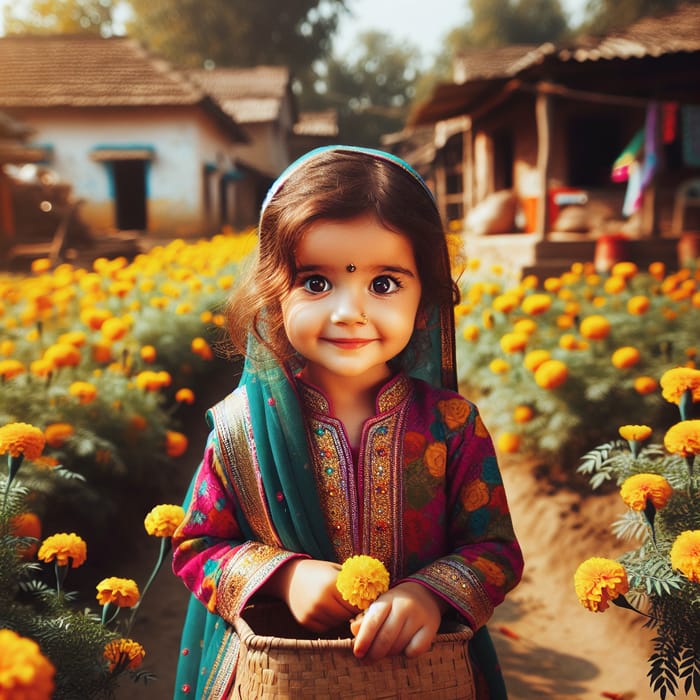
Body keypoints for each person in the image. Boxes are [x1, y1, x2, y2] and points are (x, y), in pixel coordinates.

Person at [171, 145, 524, 699]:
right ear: (273, 290)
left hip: (423, 676)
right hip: (281, 681)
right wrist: (285, 577)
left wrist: (429, 595)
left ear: (425, 298)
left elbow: (496, 550)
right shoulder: (241, 432)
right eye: (316, 282)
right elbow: (196, 546)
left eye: (384, 284)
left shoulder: (453, 426)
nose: (349, 311)